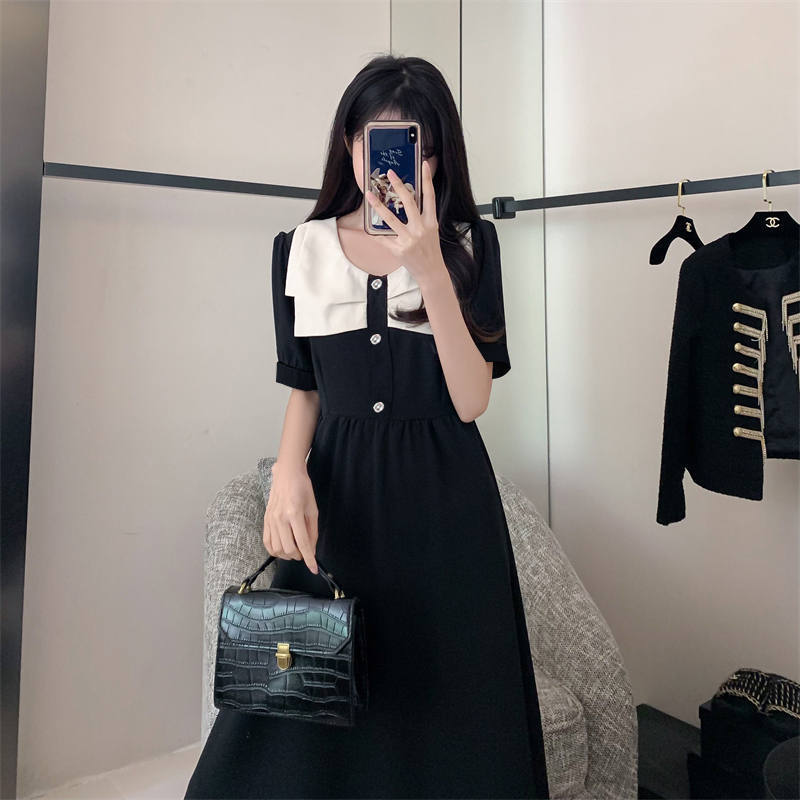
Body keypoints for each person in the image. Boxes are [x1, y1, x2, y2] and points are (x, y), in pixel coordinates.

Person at [185, 53, 551, 800]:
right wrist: (287, 474)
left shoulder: (470, 245)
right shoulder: (302, 249)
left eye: (412, 146)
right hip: (341, 499)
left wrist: (430, 267)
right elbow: (305, 387)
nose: (387, 164)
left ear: (436, 156)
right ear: (348, 144)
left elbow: (472, 399)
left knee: (450, 708)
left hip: (448, 504)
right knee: (302, 702)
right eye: (371, 141)